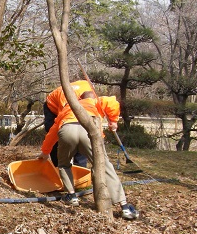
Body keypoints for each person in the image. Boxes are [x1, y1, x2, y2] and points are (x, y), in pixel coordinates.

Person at [39, 90, 139, 220]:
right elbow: (113, 103)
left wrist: (45, 152)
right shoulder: (97, 101)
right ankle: (124, 206)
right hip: (89, 131)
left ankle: (72, 196)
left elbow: (52, 133)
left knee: (63, 164)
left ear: (79, 98)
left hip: (67, 129)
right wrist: (114, 121)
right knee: (104, 166)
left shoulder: (69, 108)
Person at [43, 80, 92, 168]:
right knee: (63, 134)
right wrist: (45, 151)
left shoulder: (92, 95)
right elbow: (55, 129)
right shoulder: (66, 102)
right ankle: (58, 166)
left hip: (75, 102)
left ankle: (80, 168)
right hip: (52, 107)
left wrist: (113, 122)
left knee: (82, 136)